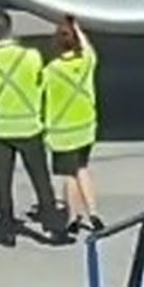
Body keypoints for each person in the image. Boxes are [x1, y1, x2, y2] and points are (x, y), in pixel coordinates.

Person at [0, 10, 67, 247]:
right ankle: (53, 228)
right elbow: (38, 80)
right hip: (28, 126)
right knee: (41, 180)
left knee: (3, 181)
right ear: (11, 29)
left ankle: (6, 230)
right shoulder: (30, 56)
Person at [43, 17, 103, 236]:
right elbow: (88, 48)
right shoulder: (86, 62)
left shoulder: (51, 70)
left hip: (63, 131)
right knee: (82, 169)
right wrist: (77, 28)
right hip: (85, 126)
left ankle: (73, 217)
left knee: (69, 175)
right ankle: (93, 213)